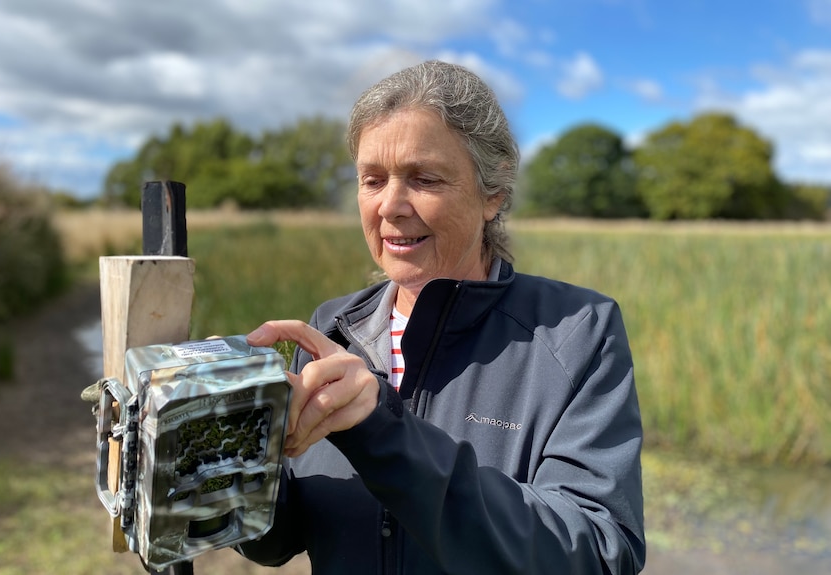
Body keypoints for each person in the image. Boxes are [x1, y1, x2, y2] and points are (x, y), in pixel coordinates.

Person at [237, 60, 645, 574]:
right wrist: (223, 461)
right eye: (372, 179)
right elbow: (279, 540)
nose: (389, 206)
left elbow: (600, 554)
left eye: (424, 179)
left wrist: (381, 430)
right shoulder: (333, 326)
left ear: (492, 193)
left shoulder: (578, 331)